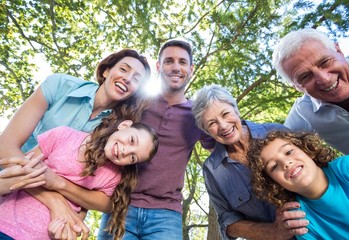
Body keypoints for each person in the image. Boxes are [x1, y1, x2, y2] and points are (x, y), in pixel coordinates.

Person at [0, 48, 151, 238]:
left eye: (136, 79)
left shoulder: (112, 137)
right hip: (8, 180)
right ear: (106, 71)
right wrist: (54, 200)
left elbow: (97, 192)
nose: (128, 78)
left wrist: (70, 210)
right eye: (124, 69)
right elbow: (5, 148)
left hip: (42, 220)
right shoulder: (60, 85)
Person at [98, 39, 215, 239]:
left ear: (191, 68)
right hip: (120, 203)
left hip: (166, 213)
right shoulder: (136, 101)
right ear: (159, 66)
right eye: (169, 61)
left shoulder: (198, 115)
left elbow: (224, 144)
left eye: (182, 62)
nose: (176, 67)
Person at [0, 119, 159, 240]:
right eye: (132, 140)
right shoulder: (63, 136)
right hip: (5, 224)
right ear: (124, 125)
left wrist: (63, 235)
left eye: (132, 157)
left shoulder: (113, 177)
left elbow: (81, 213)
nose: (125, 151)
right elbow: (13, 175)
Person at [191, 84, 309, 240]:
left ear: (236, 109)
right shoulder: (212, 171)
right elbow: (228, 222)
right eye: (212, 123)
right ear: (206, 131)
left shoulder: (277, 132)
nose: (223, 126)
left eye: (225, 114)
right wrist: (274, 231)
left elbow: (319, 169)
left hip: (317, 228)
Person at [249, 130, 349, 239]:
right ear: (275, 184)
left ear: (307, 150)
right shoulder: (300, 221)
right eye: (274, 166)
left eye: (288, 152)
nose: (286, 163)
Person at [272, 28, 349, 155]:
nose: (324, 79)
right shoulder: (303, 114)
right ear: (296, 87)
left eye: (325, 62)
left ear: (339, 51)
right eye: (305, 76)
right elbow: (274, 150)